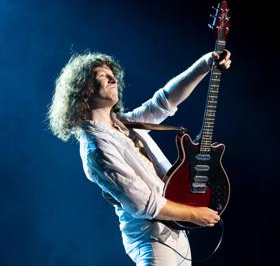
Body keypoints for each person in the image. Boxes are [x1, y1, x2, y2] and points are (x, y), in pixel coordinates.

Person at [48, 49, 231, 266]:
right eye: (102, 76)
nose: (113, 78)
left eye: (112, 74)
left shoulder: (123, 125)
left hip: (174, 230)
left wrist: (204, 64)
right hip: (151, 235)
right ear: (83, 91)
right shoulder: (96, 147)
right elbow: (144, 204)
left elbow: (164, 101)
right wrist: (194, 214)